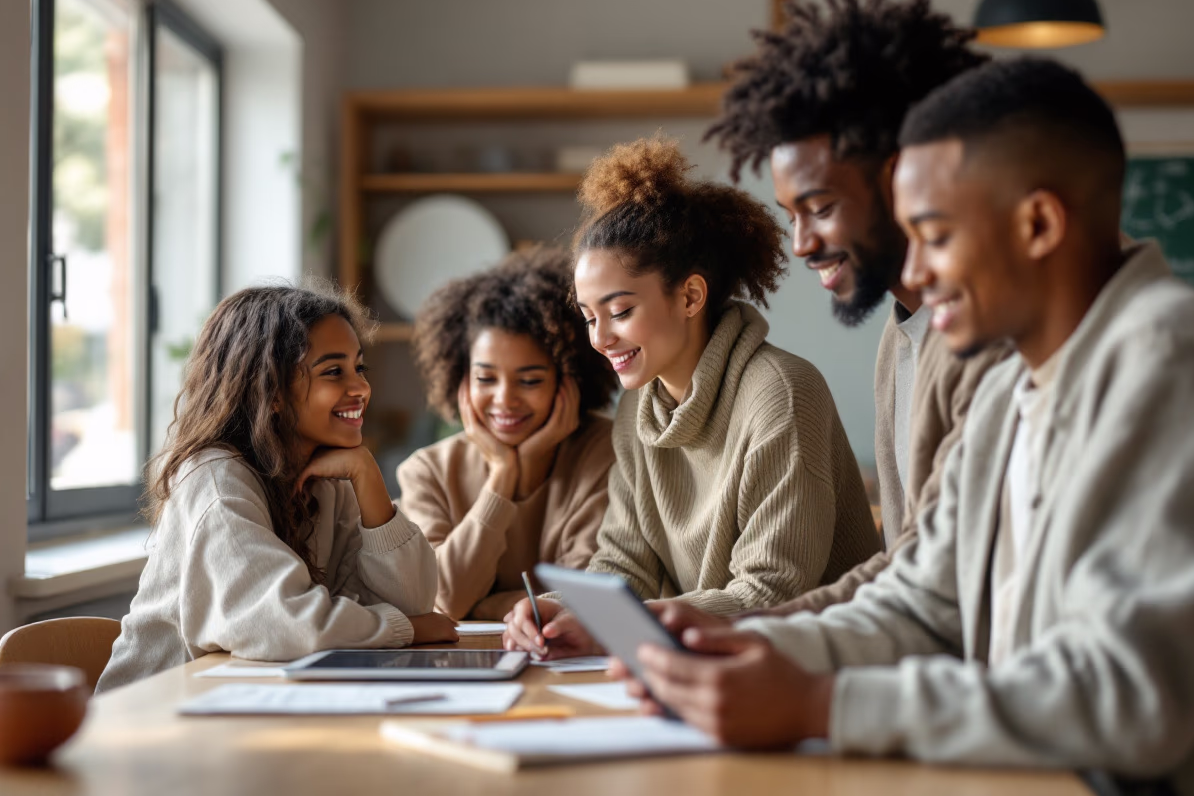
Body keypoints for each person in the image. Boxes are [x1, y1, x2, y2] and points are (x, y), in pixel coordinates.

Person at [621, 58, 1194, 794]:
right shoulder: (1012, 387)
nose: (919, 273)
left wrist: (822, 704)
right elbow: (925, 601)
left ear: (1037, 223)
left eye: (933, 235)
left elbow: (1130, 695)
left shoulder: (1164, 356)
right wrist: (745, 648)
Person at [698, 0, 1010, 616]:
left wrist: (761, 632)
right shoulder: (900, 337)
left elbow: (943, 579)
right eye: (791, 214)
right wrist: (740, 626)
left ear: (907, 176)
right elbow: (910, 557)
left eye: (821, 208)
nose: (801, 243)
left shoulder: (999, 339)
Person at [503, 136, 880, 658]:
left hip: (816, 668)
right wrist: (557, 605)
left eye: (619, 311)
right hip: (715, 662)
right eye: (590, 317)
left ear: (690, 296)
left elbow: (774, 590)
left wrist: (617, 624)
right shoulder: (638, 407)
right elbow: (624, 564)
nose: (600, 338)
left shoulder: (782, 393)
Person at [98, 283, 455, 692]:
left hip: (240, 706)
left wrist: (369, 477)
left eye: (360, 368)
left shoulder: (326, 477)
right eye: (334, 371)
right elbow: (285, 625)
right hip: (153, 720)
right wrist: (403, 629)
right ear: (272, 391)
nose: (360, 387)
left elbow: (413, 603)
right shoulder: (216, 479)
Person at [397, 247, 618, 621]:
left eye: (530, 380)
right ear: (460, 378)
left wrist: (481, 606)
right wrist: (503, 479)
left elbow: (592, 594)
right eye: (485, 378)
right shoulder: (427, 472)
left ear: (570, 379)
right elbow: (444, 598)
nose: (505, 400)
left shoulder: (606, 452)